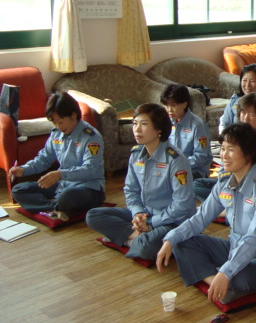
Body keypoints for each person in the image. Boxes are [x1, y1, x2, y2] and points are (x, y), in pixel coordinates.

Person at [156, 123, 256, 304]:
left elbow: (255, 238)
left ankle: (219, 280)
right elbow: (200, 218)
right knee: (182, 241)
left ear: (248, 153)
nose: (223, 155)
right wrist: (170, 239)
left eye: (231, 149)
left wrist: (227, 271)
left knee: (240, 277)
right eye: (222, 148)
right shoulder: (225, 182)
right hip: (235, 248)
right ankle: (215, 282)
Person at [86, 104, 195, 261]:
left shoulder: (175, 160)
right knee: (93, 215)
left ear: (159, 129)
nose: (137, 129)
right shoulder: (136, 154)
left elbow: (182, 205)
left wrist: (151, 223)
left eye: (144, 124)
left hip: (171, 221)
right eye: (135, 123)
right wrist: (137, 214)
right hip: (146, 215)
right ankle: (135, 237)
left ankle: (128, 239)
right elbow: (131, 190)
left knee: (146, 248)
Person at [9, 91, 105, 221]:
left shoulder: (91, 137)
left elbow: (90, 170)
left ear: (73, 115)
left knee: (67, 197)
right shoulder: (56, 134)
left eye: (61, 122)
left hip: (87, 188)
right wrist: (23, 169)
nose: (58, 127)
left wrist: (60, 174)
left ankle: (57, 206)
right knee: (19, 190)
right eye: (54, 123)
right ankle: (56, 208)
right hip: (62, 185)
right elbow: (44, 158)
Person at [193, 92, 256, 202]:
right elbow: (224, 170)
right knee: (198, 185)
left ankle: (228, 205)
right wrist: (226, 188)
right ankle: (227, 203)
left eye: (251, 115)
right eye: (243, 113)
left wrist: (240, 190)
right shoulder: (237, 137)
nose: (245, 119)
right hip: (234, 186)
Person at [161, 84, 212, 180]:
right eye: (166, 105)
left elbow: (201, 156)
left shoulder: (198, 125)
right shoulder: (167, 123)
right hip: (172, 168)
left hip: (193, 171)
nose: (169, 110)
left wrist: (178, 165)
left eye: (173, 105)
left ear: (184, 104)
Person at [219, 63, 256, 135]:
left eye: (252, 81)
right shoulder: (234, 100)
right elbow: (224, 123)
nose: (247, 85)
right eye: (244, 80)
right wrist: (225, 138)